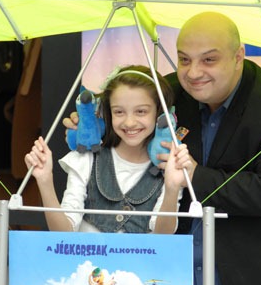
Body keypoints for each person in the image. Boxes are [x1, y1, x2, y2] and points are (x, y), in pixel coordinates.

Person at [65, 12, 261, 285]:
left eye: (209, 60)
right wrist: (88, 124)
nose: (194, 72)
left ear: (238, 56)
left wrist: (194, 175)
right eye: (184, 59)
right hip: (173, 284)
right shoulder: (167, 93)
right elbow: (125, 125)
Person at [25, 65, 191, 234]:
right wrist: (45, 181)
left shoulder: (169, 165)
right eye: (119, 112)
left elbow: (163, 235)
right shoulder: (87, 158)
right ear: (108, 113)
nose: (129, 122)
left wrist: (172, 188)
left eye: (141, 111)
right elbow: (64, 231)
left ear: (160, 113)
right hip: (87, 253)